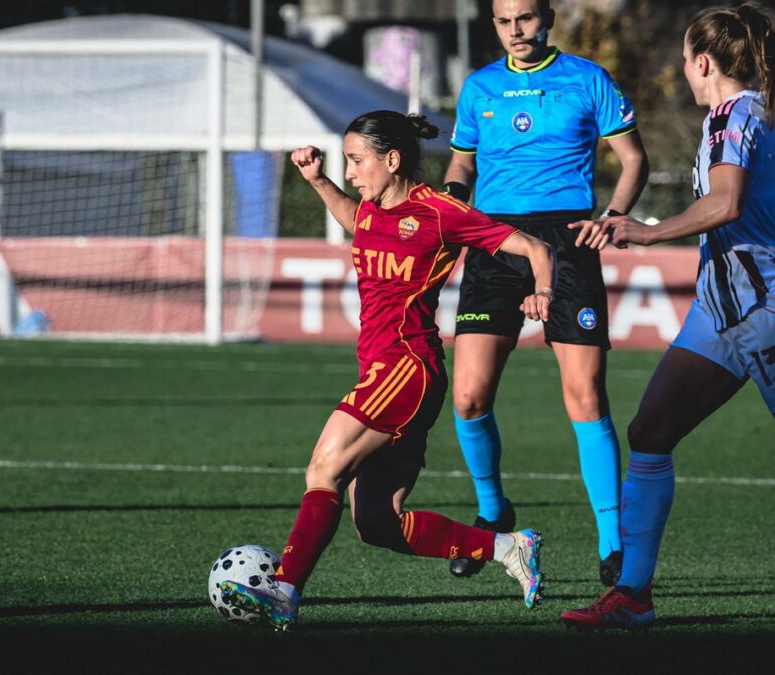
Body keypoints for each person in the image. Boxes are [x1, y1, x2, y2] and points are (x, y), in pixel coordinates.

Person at [560, 3, 775, 630]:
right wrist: (762, 256)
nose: (684, 71)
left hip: (767, 316)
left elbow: (724, 204)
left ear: (702, 62)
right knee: (650, 432)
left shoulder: (735, 118)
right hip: (721, 312)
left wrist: (645, 232)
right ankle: (633, 595)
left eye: (684, 61)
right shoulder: (750, 118)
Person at [219, 110, 558, 631]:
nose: (350, 172)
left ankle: (284, 589)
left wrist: (542, 290)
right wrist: (319, 182)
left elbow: (534, 247)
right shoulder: (371, 212)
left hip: (407, 367)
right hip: (383, 372)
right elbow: (355, 219)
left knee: (323, 467)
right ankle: (509, 547)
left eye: (357, 161)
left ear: (392, 159)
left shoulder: (439, 212)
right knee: (376, 522)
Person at [442, 0, 649, 585]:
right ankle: (493, 512)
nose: (516, 30)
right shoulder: (478, 87)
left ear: (548, 16)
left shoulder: (587, 78)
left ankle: (613, 543)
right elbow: (462, 166)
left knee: (585, 396)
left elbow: (634, 159)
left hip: (568, 240)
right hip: (494, 242)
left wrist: (612, 217)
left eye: (526, 18)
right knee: (468, 398)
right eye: (504, 20)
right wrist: (451, 201)